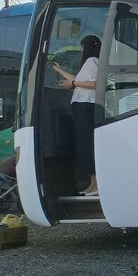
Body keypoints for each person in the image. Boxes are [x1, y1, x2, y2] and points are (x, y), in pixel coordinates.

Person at [53, 35, 101, 195]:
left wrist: (72, 84)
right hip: (82, 107)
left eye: (82, 46)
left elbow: (95, 84)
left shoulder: (92, 61)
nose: (81, 50)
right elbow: (78, 80)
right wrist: (59, 70)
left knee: (87, 144)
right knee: (84, 145)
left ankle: (96, 185)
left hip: (86, 107)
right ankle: (92, 184)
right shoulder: (91, 62)